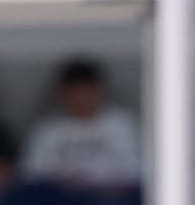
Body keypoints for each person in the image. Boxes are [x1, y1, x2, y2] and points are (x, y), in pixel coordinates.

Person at [18, 61, 142, 191]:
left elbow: (135, 171)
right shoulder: (47, 130)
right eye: (75, 93)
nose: (81, 99)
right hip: (60, 198)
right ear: (62, 94)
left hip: (110, 196)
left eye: (87, 92)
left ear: (100, 91)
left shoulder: (122, 124)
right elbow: (31, 175)